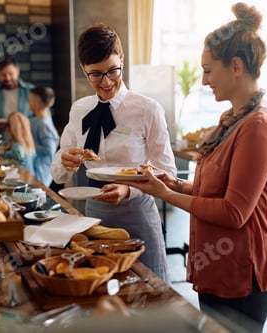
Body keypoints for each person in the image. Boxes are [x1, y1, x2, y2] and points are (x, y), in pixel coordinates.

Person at [119, 3, 267, 332]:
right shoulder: (231, 120)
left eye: (208, 70)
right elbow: (218, 190)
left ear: (235, 66)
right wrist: (176, 184)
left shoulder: (258, 127)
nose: (204, 80)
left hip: (244, 273)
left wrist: (165, 194)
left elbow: (234, 212)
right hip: (222, 268)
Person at [50, 23, 177, 283]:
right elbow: (58, 175)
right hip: (94, 215)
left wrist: (128, 189)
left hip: (138, 213)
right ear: (84, 71)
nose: (106, 82)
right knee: (102, 291)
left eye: (113, 71)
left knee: (149, 293)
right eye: (95, 74)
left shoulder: (147, 109)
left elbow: (168, 173)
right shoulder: (79, 110)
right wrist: (65, 161)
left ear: (122, 60)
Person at [29, 86, 59, 187]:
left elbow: (49, 151)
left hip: (41, 170)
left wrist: (29, 147)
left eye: (30, 101)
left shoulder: (44, 124)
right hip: (32, 167)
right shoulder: (35, 120)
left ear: (37, 105)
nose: (28, 103)